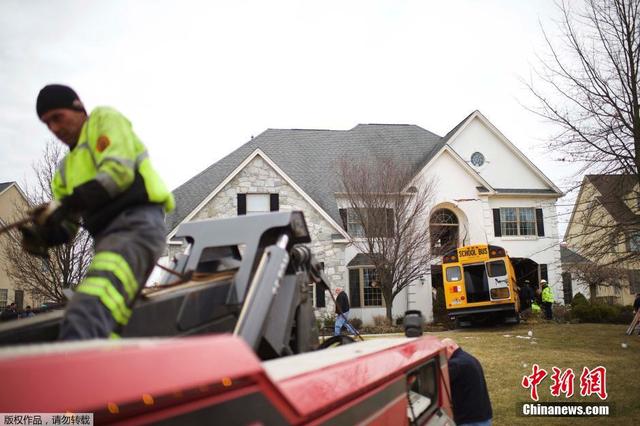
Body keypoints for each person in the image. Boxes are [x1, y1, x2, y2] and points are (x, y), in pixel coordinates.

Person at [20, 84, 174, 340]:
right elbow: (68, 228)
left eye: (57, 117)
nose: (54, 129)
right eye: (47, 124)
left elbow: (118, 172)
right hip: (107, 241)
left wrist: (66, 204)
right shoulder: (64, 172)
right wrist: (44, 235)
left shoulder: (103, 120)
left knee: (86, 312)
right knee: (109, 323)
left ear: (78, 107)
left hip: (137, 228)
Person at [441, 338, 492, 426]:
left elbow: (440, 383)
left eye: (444, 352)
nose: (443, 356)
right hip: (483, 414)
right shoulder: (468, 358)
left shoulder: (455, 364)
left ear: (451, 347)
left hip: (469, 419)